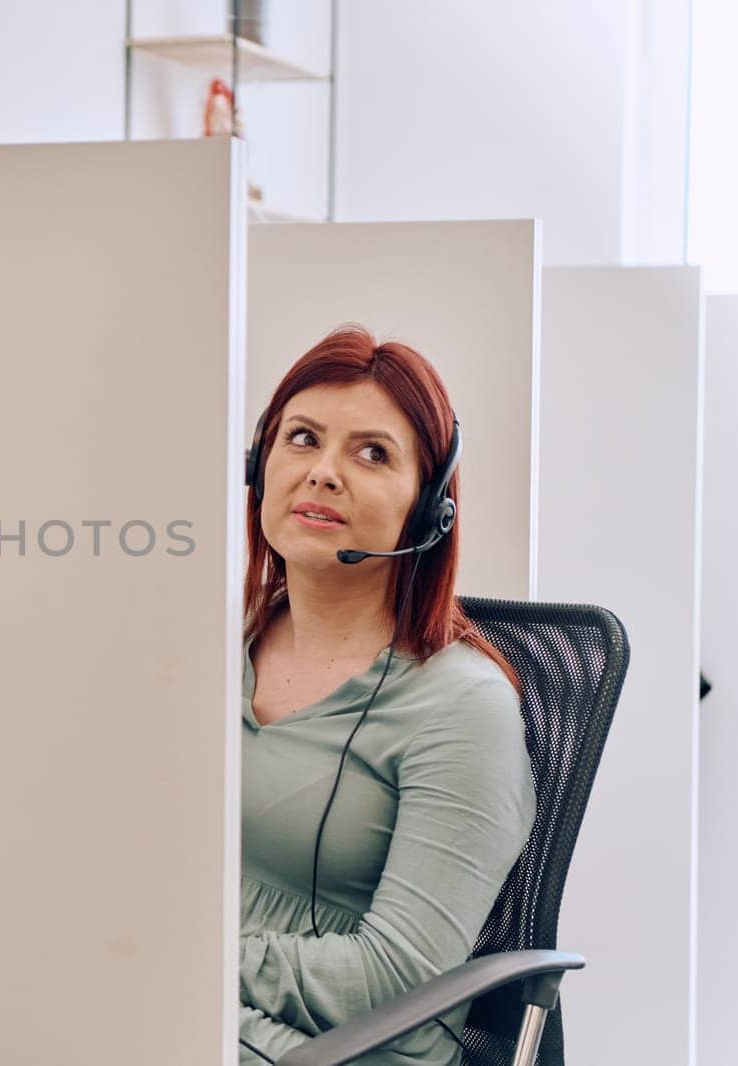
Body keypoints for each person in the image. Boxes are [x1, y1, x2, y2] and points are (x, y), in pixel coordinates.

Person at [238, 326, 537, 1065]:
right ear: (259, 465)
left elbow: (399, 978)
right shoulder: (217, 650)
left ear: (429, 505)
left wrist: (196, 964)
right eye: (302, 438)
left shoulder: (463, 708)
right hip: (205, 1015)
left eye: (373, 453)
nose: (324, 473)